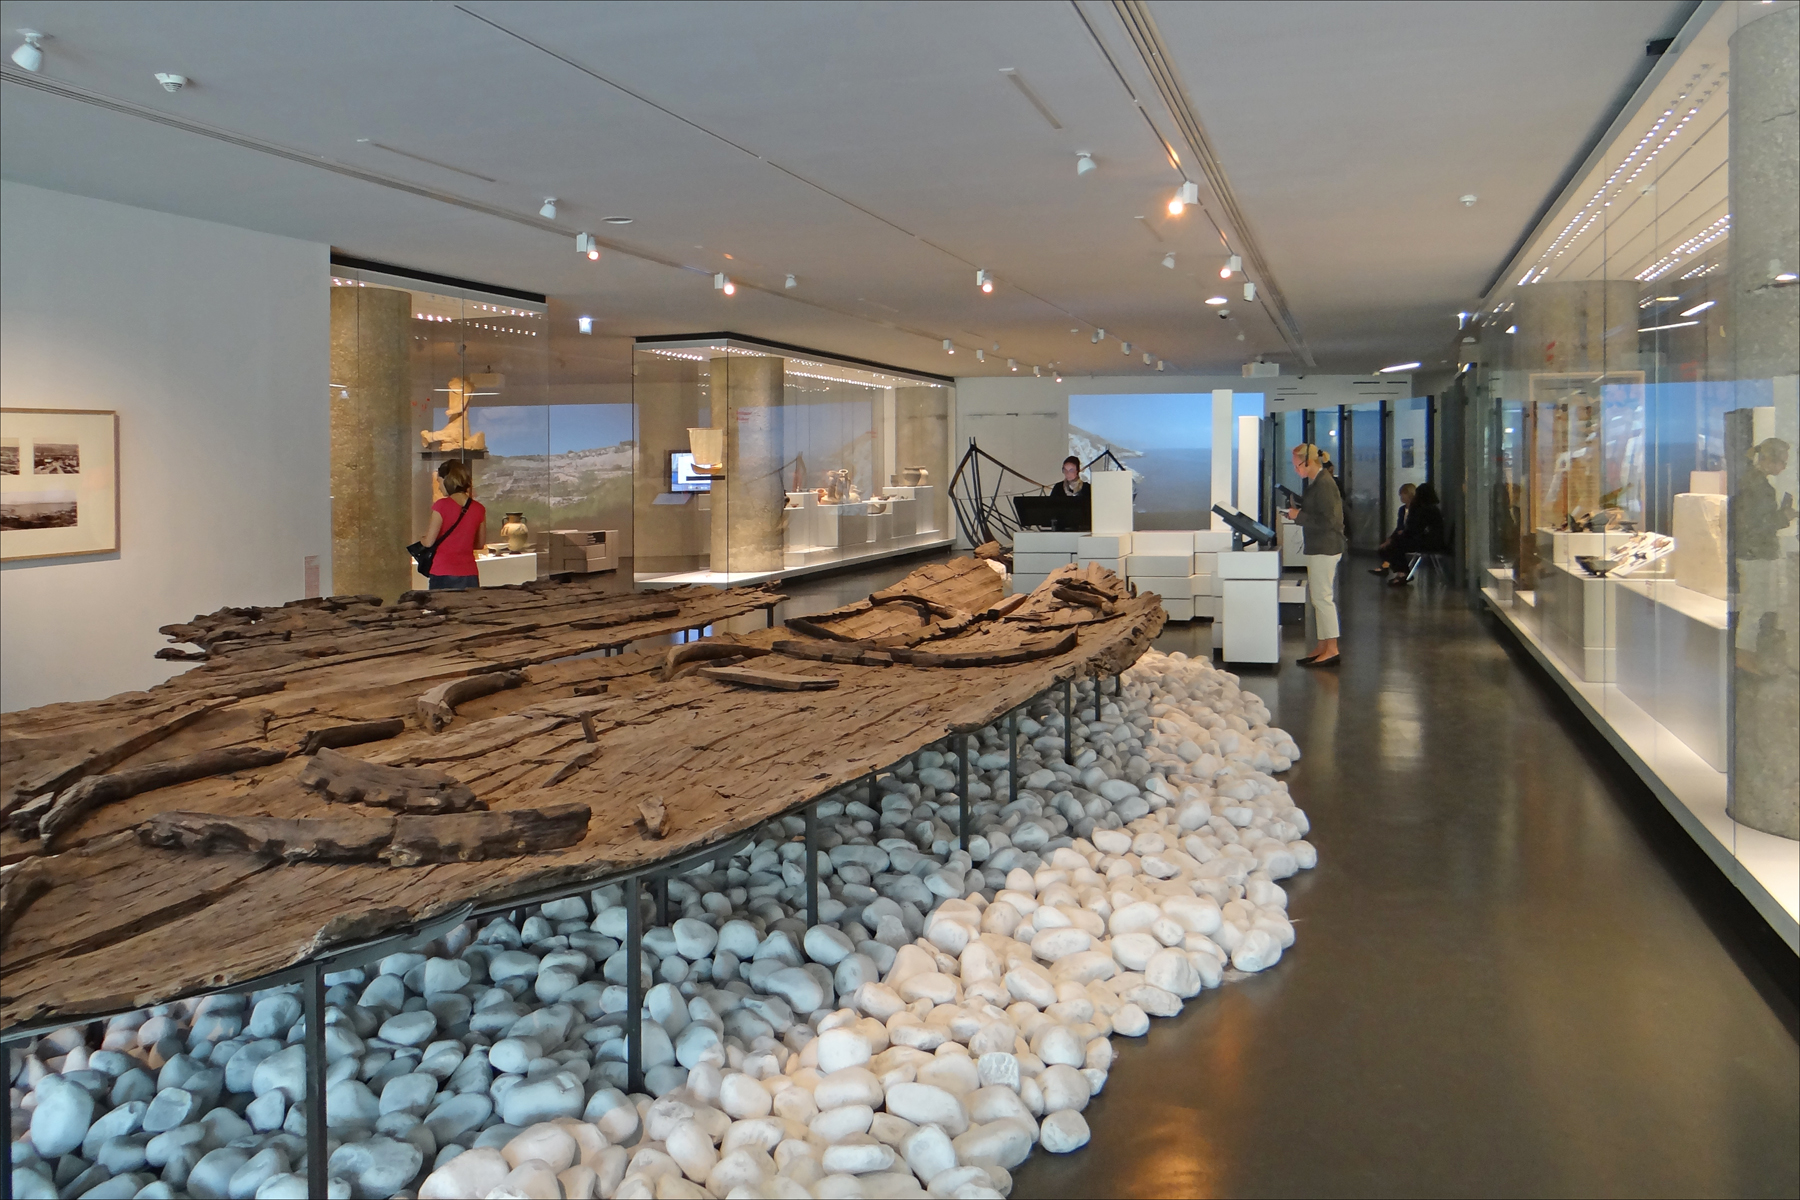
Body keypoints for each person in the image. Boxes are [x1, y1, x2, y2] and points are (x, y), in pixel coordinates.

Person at [1732, 437, 1796, 669]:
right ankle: (1744, 656)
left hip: (1752, 551)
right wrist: (1784, 517)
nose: (1784, 467)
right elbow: (1758, 524)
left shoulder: (1751, 481)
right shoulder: (1759, 486)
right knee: (1754, 606)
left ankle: (1746, 653)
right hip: (1755, 553)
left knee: (1754, 605)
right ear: (1768, 460)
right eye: (1782, 461)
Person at [1286, 443, 1346, 667]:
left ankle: (1332, 648)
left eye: (1297, 465)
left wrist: (1298, 515)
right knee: (1319, 598)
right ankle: (1323, 645)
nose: (1296, 470)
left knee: (1322, 599)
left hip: (1325, 547)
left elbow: (1329, 521)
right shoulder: (1318, 483)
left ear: (1308, 462)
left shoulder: (1324, 484)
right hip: (1321, 547)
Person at [422, 458, 487, 591]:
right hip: (469, 573)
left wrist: (421, 539)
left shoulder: (441, 506)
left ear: (447, 480)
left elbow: (429, 542)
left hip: (442, 572)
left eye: (439, 481)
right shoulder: (479, 508)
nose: (439, 487)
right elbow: (480, 544)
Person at [1387, 481, 1447, 586]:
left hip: (1425, 543)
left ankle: (1402, 572)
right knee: (1398, 542)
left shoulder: (1422, 510)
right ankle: (1402, 572)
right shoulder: (1434, 509)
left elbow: (1414, 528)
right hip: (1435, 542)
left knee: (1396, 543)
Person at [1371, 483, 1417, 575]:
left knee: (1395, 546)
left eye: (1403, 494)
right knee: (1385, 547)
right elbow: (1399, 527)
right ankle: (1397, 570)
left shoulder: (1416, 510)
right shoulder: (1402, 510)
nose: (1401, 497)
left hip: (1411, 538)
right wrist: (1390, 538)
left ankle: (1391, 568)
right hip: (1402, 536)